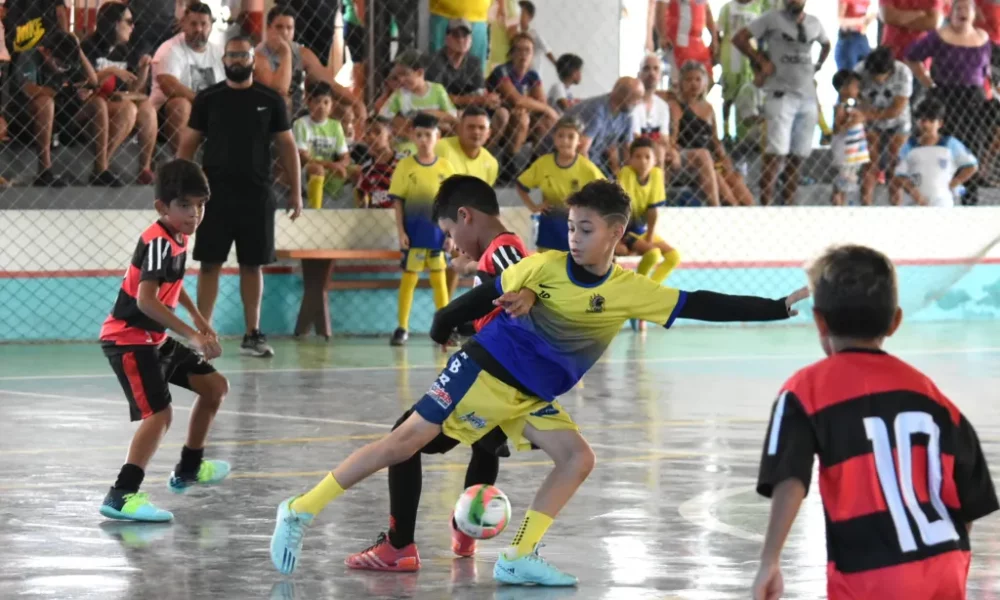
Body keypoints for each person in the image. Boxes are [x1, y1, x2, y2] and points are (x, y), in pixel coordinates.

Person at [268, 179, 810, 584]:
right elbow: (479, 297)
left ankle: (518, 556)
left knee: (577, 458)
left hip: (528, 396)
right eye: (571, 227)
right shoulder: (543, 266)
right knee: (402, 442)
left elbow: (703, 304)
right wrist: (451, 319)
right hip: (484, 369)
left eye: (586, 229)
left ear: (617, 233)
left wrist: (778, 307)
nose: (574, 237)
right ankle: (299, 509)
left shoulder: (630, 289)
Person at [751, 244, 998, 600]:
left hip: (869, 577)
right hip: (945, 568)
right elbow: (968, 498)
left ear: (819, 320)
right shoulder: (935, 399)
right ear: (895, 321)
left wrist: (769, 561)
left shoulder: (804, 391)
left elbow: (790, 481)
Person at [344, 175, 530, 571]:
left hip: (490, 379)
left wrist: (448, 316)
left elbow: (516, 287)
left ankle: (398, 547)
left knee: (403, 439)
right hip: (505, 378)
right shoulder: (497, 251)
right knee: (484, 444)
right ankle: (467, 530)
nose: (452, 244)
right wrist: (467, 325)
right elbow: (502, 309)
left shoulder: (504, 251)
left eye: (450, 232)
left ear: (465, 216)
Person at [97, 158, 230, 523]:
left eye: (200, 205)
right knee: (159, 414)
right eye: (185, 205)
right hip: (129, 339)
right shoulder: (157, 241)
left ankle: (189, 467)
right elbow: (146, 300)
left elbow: (174, 283)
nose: (195, 213)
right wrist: (191, 336)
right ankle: (122, 494)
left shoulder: (178, 237)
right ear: (162, 207)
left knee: (215, 386)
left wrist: (199, 318)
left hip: (151, 338)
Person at [177, 36, 302, 359]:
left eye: (243, 55)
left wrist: (297, 192)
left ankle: (252, 334)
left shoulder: (271, 99)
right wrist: (180, 190)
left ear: (252, 59)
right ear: (224, 59)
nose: (237, 60)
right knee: (210, 265)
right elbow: (188, 144)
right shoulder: (208, 99)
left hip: (257, 195)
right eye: (231, 55)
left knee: (252, 264)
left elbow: (287, 147)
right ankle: (204, 334)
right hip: (213, 197)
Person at [732, 0, 831, 205]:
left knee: (799, 155)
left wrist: (818, 65)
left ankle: (789, 205)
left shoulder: (814, 22)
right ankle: (766, 205)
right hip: (780, 94)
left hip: (807, 96)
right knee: (775, 154)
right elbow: (739, 38)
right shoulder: (771, 18)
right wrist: (761, 60)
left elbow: (826, 43)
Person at [9, 29, 122, 187]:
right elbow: (29, 89)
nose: (61, 69)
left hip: (61, 113)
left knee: (98, 103)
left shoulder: (66, 58)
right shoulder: (29, 57)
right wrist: (63, 91)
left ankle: (100, 170)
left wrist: (79, 50)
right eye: (59, 64)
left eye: (66, 66)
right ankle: (44, 171)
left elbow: (93, 81)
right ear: (47, 52)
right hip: (27, 117)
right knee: (45, 101)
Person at [905, 0, 992, 205]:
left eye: (966, 9)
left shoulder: (982, 37)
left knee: (972, 145)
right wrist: (927, 82)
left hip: (973, 99)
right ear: (950, 13)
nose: (962, 12)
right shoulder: (939, 36)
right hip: (945, 94)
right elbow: (912, 56)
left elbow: (986, 69)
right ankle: (942, 191)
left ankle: (970, 195)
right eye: (958, 9)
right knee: (945, 143)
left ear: (973, 13)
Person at [388, 112, 457, 347]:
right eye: (419, 135)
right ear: (412, 137)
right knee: (409, 279)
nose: (424, 139)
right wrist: (401, 232)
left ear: (437, 137)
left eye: (429, 134)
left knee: (439, 280)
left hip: (438, 236)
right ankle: (402, 327)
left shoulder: (446, 168)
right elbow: (397, 202)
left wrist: (451, 235)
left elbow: (451, 207)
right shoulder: (405, 166)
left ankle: (444, 328)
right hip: (414, 234)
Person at [80, 1, 158, 185]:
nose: (133, 27)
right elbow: (82, 84)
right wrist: (111, 71)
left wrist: (143, 70)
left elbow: (133, 88)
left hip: (113, 104)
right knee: (128, 109)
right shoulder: (89, 46)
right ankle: (101, 167)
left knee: (147, 108)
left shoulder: (124, 50)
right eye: (129, 22)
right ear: (115, 23)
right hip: (88, 108)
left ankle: (144, 169)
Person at [254, 5, 366, 127]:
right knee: (284, 101)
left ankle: (340, 144)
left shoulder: (302, 53)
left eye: (289, 28)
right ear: (268, 28)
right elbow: (278, 91)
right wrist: (285, 53)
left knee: (343, 110)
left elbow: (329, 83)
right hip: (267, 113)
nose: (284, 32)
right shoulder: (259, 55)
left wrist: (356, 103)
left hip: (300, 114)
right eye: (279, 27)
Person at [616, 137, 681, 331]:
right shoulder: (626, 173)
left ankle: (641, 300)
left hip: (643, 230)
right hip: (625, 228)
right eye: (637, 156)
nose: (643, 161)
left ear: (654, 160)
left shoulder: (656, 175)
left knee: (673, 257)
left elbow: (653, 211)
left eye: (647, 157)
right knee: (652, 254)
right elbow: (621, 210)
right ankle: (640, 300)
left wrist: (650, 238)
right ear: (630, 159)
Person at [669, 61, 755, 206]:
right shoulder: (676, 106)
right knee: (722, 185)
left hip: (713, 160)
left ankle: (751, 213)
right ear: (681, 82)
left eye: (698, 79)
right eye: (689, 80)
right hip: (693, 160)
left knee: (735, 180)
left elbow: (715, 140)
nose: (693, 84)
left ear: (705, 83)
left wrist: (724, 158)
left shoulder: (709, 108)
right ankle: (729, 211)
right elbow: (673, 138)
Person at [517, 116, 605, 252]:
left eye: (571, 137)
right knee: (547, 263)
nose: (565, 140)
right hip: (550, 221)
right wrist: (534, 207)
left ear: (579, 141)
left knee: (573, 263)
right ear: (554, 138)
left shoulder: (587, 168)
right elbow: (521, 186)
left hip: (577, 224)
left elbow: (604, 192)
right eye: (560, 135)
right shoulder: (543, 164)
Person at [150, 2, 225, 155]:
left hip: (209, 113)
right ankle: (183, 163)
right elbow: (169, 85)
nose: (198, 29)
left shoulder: (218, 52)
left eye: (204, 24)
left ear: (211, 25)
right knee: (180, 104)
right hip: (164, 117)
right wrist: (205, 102)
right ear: (183, 24)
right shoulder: (170, 48)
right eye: (193, 24)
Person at [424, 18, 508, 151]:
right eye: (456, 35)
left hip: (471, 108)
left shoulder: (473, 62)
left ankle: (483, 154)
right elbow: (438, 98)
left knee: (502, 114)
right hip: (445, 110)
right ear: (447, 38)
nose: (461, 39)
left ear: (471, 40)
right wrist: (478, 100)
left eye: (465, 35)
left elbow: (480, 91)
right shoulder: (435, 61)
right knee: (456, 121)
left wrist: (489, 99)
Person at [893, 99, 979, 207]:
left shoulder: (950, 144)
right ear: (917, 121)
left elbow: (972, 166)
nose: (926, 124)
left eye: (931, 121)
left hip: (942, 202)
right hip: (914, 203)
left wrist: (953, 184)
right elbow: (900, 175)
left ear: (940, 123)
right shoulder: (909, 146)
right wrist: (914, 192)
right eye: (923, 120)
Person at [486, 33, 560, 156]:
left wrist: (531, 107)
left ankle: (534, 163)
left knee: (547, 120)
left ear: (532, 55)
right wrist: (548, 109)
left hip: (521, 116)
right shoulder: (502, 70)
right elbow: (517, 100)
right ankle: (509, 162)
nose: (523, 54)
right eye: (519, 50)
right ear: (511, 54)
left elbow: (541, 102)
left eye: (528, 50)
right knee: (523, 119)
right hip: (497, 119)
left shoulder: (532, 75)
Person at [556, 77, 644, 177]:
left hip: (595, 160)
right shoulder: (598, 110)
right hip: (565, 157)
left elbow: (628, 151)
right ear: (623, 96)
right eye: (636, 98)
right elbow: (581, 149)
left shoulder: (627, 115)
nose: (638, 103)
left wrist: (627, 177)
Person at [380, 50, 458, 140]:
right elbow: (383, 117)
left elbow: (452, 116)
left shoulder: (437, 90)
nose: (401, 79)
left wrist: (429, 114)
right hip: (409, 142)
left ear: (420, 72)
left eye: (405, 74)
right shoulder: (399, 94)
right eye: (398, 75)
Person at [294, 82, 350, 210]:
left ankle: (361, 209)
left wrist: (341, 165)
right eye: (317, 101)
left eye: (326, 102)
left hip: (332, 167)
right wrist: (330, 165)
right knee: (317, 169)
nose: (322, 106)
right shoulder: (301, 124)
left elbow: (345, 156)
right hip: (307, 169)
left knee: (357, 171)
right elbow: (304, 158)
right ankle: (316, 211)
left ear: (332, 105)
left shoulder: (335, 126)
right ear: (309, 102)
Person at [718, 0, 766, 142]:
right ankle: (726, 132)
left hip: (750, 58)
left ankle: (743, 135)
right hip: (730, 59)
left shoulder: (759, 7)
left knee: (747, 97)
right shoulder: (726, 8)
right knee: (728, 97)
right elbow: (720, 33)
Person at [829, 70, 870, 206]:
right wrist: (853, 122)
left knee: (847, 182)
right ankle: (839, 205)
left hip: (854, 152)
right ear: (843, 88)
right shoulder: (840, 107)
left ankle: (842, 204)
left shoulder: (852, 106)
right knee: (843, 183)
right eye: (855, 86)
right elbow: (837, 129)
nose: (858, 89)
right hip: (846, 153)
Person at [655, 0, 718, 86]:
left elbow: (707, 12)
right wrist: (663, 36)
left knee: (707, 79)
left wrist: (714, 39)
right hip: (678, 41)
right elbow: (660, 11)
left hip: (698, 41)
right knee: (680, 82)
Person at [633, 53, 679, 170]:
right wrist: (658, 145)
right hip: (634, 150)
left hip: (657, 150)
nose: (651, 73)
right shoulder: (631, 103)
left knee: (666, 153)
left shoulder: (662, 106)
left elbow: (664, 139)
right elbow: (636, 138)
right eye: (646, 68)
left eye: (655, 69)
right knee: (659, 152)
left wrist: (670, 149)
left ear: (660, 75)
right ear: (639, 75)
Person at [435, 106, 499, 185]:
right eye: (471, 127)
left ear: (488, 133)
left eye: (481, 128)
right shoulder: (440, 148)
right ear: (459, 129)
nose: (476, 132)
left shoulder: (491, 163)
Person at [353, 116, 403, 208]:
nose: (372, 136)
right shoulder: (366, 169)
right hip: (377, 217)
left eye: (377, 132)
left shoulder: (404, 163)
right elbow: (362, 197)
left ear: (390, 136)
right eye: (368, 133)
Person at [517, 1, 557, 73]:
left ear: (530, 17)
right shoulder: (513, 33)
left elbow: (547, 50)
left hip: (533, 73)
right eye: (516, 13)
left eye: (521, 13)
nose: (518, 16)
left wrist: (556, 64)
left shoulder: (534, 34)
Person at [836, 0, 875, 70]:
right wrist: (860, 21)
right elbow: (841, 20)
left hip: (861, 37)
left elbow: (864, 22)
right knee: (849, 73)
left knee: (866, 71)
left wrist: (869, 19)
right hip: (848, 37)